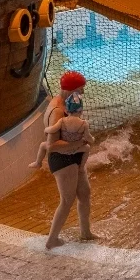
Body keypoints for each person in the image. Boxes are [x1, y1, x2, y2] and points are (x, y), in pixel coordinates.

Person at [43, 71, 95, 250]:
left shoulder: (65, 103)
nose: (82, 94)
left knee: (85, 193)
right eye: (81, 90)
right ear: (72, 89)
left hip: (73, 156)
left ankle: (86, 233)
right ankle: (52, 240)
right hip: (62, 159)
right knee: (67, 200)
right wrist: (81, 143)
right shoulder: (57, 110)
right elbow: (52, 145)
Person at [29, 92, 93, 170]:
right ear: (81, 111)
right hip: (76, 149)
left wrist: (46, 130)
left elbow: (52, 129)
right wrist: (91, 139)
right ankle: (82, 166)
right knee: (87, 148)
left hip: (63, 150)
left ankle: (38, 163)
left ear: (66, 110)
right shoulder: (83, 123)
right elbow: (88, 136)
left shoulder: (62, 121)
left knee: (43, 145)